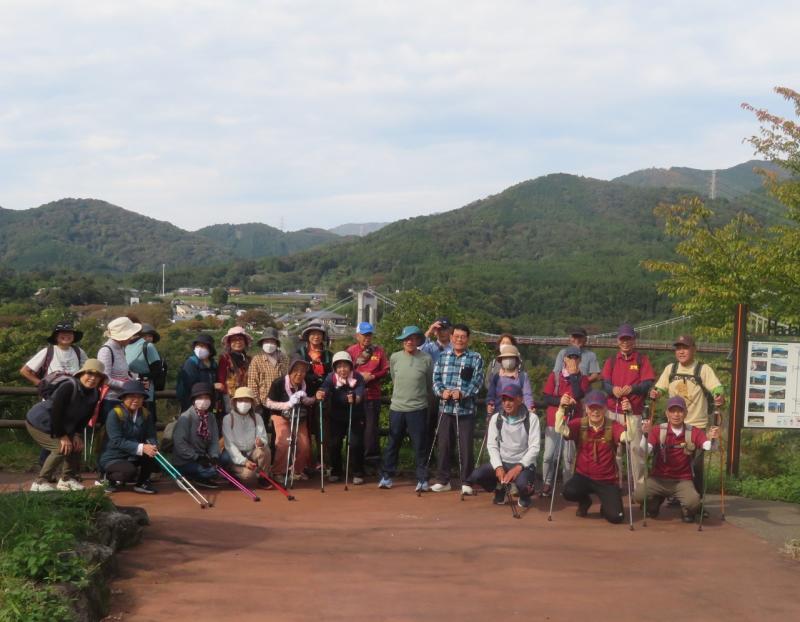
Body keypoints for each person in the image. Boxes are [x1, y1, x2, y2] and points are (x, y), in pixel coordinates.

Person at [649, 335, 725, 494]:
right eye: (678, 348)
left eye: (685, 348)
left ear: (694, 349)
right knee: (670, 461)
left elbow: (717, 387)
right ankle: (673, 494)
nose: (681, 351)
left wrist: (718, 395)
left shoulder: (703, 369)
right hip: (674, 425)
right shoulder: (671, 368)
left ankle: (697, 501)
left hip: (696, 424)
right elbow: (660, 388)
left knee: (695, 466)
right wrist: (656, 393)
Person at [25, 359, 106, 491]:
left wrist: (77, 435)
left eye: (98, 376)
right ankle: (40, 482)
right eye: (90, 374)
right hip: (39, 421)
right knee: (60, 448)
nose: (93, 378)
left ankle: (67, 479)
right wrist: (63, 436)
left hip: (61, 424)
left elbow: (85, 417)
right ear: (81, 374)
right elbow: (57, 413)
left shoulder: (94, 393)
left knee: (76, 446)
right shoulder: (69, 386)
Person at [636, 396, 719, 522]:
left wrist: (714, 438)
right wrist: (645, 435)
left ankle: (686, 508)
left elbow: (710, 447)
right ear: (667, 413)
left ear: (685, 413)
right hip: (658, 479)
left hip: (682, 480)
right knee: (638, 495)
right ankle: (655, 501)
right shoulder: (658, 430)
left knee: (693, 502)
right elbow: (644, 450)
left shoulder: (693, 431)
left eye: (679, 411)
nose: (676, 414)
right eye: (672, 411)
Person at [555, 390, 629, 524]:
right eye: (592, 408)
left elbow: (627, 437)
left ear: (605, 409)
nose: (595, 412)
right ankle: (585, 501)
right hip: (583, 476)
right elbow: (561, 430)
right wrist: (561, 408)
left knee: (616, 517)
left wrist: (628, 415)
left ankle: (606, 505)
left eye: (599, 408)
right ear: (586, 409)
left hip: (607, 479)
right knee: (568, 491)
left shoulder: (612, 425)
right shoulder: (580, 424)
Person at [466, 384, 540, 508]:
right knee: (476, 476)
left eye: (511, 399)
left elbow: (535, 448)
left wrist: (518, 467)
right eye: (504, 400)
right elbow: (492, 446)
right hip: (503, 462)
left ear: (520, 399)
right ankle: (500, 488)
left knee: (524, 485)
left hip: (524, 466)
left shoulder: (532, 419)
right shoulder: (496, 418)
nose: (506, 403)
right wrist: (498, 467)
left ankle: (524, 494)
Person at [601, 323, 655, 490]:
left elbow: (647, 383)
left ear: (634, 340)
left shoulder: (642, 360)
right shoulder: (611, 360)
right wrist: (613, 389)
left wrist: (633, 388)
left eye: (629, 339)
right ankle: (614, 486)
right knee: (614, 452)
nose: (626, 342)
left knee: (636, 451)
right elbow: (604, 383)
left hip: (634, 413)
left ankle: (640, 489)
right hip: (612, 412)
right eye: (623, 339)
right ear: (618, 341)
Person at [379, 326, 433, 492]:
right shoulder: (395, 357)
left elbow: (429, 383)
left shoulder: (426, 359)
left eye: (412, 338)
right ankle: (387, 476)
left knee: (420, 445)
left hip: (418, 408)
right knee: (393, 443)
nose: (409, 341)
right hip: (397, 408)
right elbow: (395, 379)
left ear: (418, 340)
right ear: (402, 341)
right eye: (406, 339)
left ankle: (422, 479)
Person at [431, 323, 484, 494]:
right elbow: (436, 378)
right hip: (445, 408)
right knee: (444, 445)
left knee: (465, 447)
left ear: (468, 339)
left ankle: (467, 481)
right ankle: (443, 480)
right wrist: (442, 391)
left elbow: (478, 382)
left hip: (465, 410)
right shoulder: (443, 356)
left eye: (463, 337)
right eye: (456, 336)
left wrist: (462, 393)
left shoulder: (475, 358)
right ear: (451, 337)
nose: (459, 339)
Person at [540, 346, 590, 497]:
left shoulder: (583, 378)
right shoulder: (555, 376)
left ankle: (568, 486)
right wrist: (560, 401)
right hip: (554, 420)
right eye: (570, 357)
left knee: (568, 457)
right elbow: (547, 397)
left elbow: (579, 393)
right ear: (564, 359)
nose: (572, 360)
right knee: (549, 455)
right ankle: (546, 483)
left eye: (576, 358)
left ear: (580, 360)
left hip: (573, 421)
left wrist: (574, 376)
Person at [97, 380, 158, 494]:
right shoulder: (114, 414)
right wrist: (142, 447)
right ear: (124, 398)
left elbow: (151, 434)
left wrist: (153, 445)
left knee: (152, 453)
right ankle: (107, 477)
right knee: (129, 472)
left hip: (133, 454)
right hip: (113, 456)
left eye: (139, 397)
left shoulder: (146, 414)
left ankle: (141, 483)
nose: (136, 400)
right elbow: (117, 441)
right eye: (131, 396)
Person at [316, 351, 366, 484]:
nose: (342, 369)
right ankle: (336, 471)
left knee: (355, 444)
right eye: (339, 366)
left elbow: (360, 394)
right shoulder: (331, 377)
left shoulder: (358, 377)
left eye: (345, 366)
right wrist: (321, 393)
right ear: (335, 368)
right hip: (336, 416)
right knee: (334, 444)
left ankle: (357, 472)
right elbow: (325, 388)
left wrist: (355, 398)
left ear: (350, 366)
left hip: (355, 415)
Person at [346, 321, 389, 472]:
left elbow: (385, 370)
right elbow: (344, 371)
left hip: (373, 395)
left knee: (371, 430)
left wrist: (373, 376)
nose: (367, 337)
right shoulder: (350, 352)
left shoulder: (378, 351)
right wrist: (359, 377)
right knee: (355, 430)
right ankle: (354, 463)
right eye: (364, 334)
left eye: (369, 334)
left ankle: (372, 462)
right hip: (355, 396)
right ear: (358, 335)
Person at [267, 356, 315, 482]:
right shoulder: (279, 382)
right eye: (296, 370)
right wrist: (287, 405)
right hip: (280, 415)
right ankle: (278, 472)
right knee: (284, 443)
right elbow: (269, 403)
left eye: (303, 371)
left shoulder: (308, 383)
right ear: (290, 370)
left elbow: (313, 399)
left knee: (304, 445)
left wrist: (308, 399)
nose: (299, 374)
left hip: (300, 416)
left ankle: (297, 470)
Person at [171, 382, 228, 488]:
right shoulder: (186, 417)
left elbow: (214, 441)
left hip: (203, 457)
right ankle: (186, 475)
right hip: (185, 460)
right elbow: (179, 443)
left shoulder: (210, 417)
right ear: (193, 400)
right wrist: (196, 457)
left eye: (207, 397)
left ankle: (200, 476)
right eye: (200, 397)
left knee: (222, 462)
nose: (204, 401)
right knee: (212, 471)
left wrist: (214, 456)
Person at [297, 322, 333, 468]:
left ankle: (322, 461)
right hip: (304, 395)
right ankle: (305, 462)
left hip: (324, 396)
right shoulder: (300, 354)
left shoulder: (329, 356)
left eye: (319, 334)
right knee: (304, 429)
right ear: (307, 337)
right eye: (312, 334)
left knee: (322, 429)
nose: (316, 337)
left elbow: (332, 375)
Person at [221, 387, 270, 485]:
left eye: (247, 400)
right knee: (249, 476)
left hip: (251, 453)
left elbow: (263, 437)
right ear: (235, 402)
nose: (244, 403)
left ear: (251, 403)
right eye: (240, 400)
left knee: (265, 450)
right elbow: (229, 445)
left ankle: (263, 477)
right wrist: (244, 461)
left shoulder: (257, 417)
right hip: (234, 456)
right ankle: (231, 472)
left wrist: (261, 442)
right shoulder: (228, 419)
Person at [20, 322, 88, 387]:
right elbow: (25, 371)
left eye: (69, 333)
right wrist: (41, 384)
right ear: (56, 337)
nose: (66, 335)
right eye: (62, 333)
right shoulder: (48, 351)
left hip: (74, 393)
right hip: (52, 394)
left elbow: (88, 370)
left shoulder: (79, 351)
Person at [247, 327, 290, 415]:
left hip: (281, 401)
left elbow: (288, 378)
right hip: (264, 402)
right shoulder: (257, 359)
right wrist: (257, 404)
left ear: (276, 343)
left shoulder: (284, 358)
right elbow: (252, 383)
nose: (269, 344)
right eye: (266, 341)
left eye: (272, 341)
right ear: (262, 343)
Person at [97, 316, 141, 401]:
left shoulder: (121, 348)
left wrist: (135, 381)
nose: (131, 338)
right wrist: (127, 385)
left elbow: (123, 373)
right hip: (110, 399)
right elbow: (105, 379)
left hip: (123, 397)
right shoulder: (106, 351)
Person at [176, 334, 222, 413]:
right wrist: (212, 386)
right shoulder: (191, 363)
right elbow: (190, 384)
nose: (200, 348)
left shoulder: (213, 364)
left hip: (209, 402)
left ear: (210, 349)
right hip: (192, 403)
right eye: (197, 346)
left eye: (203, 346)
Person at [125, 323, 163, 418]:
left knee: (146, 418)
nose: (147, 338)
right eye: (144, 336)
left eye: (150, 336)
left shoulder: (148, 347)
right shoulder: (125, 346)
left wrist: (138, 376)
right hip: (128, 390)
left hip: (146, 390)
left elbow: (157, 370)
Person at [485, 344, 534, 413]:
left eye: (511, 357)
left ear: (516, 360)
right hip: (498, 415)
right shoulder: (497, 377)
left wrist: (530, 408)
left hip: (518, 415)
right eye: (505, 358)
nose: (508, 360)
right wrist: (490, 404)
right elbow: (491, 395)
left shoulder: (522, 376)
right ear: (501, 360)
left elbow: (527, 395)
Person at [217, 326, 253, 415]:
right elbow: (221, 379)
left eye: (240, 339)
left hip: (246, 396)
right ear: (229, 343)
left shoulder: (249, 359)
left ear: (245, 342)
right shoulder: (224, 358)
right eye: (234, 340)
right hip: (230, 397)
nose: (238, 342)